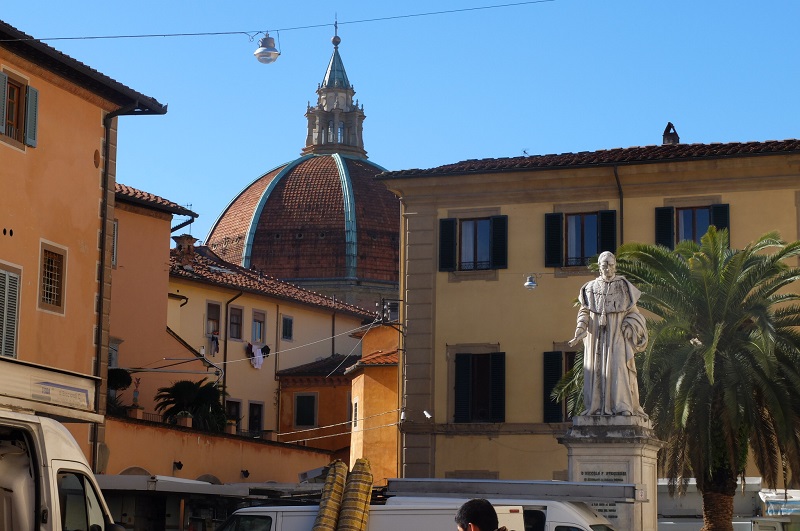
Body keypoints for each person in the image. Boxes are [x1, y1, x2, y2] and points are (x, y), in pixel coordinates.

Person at [568, 251, 648, 417]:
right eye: (605, 265)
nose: (608, 268)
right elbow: (584, 311)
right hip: (596, 337)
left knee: (619, 367)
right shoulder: (589, 288)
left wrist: (630, 326)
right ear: (599, 267)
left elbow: (634, 314)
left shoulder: (624, 286)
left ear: (615, 266)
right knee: (595, 370)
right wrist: (580, 330)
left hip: (617, 334)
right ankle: (595, 407)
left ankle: (622, 406)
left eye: (611, 265)